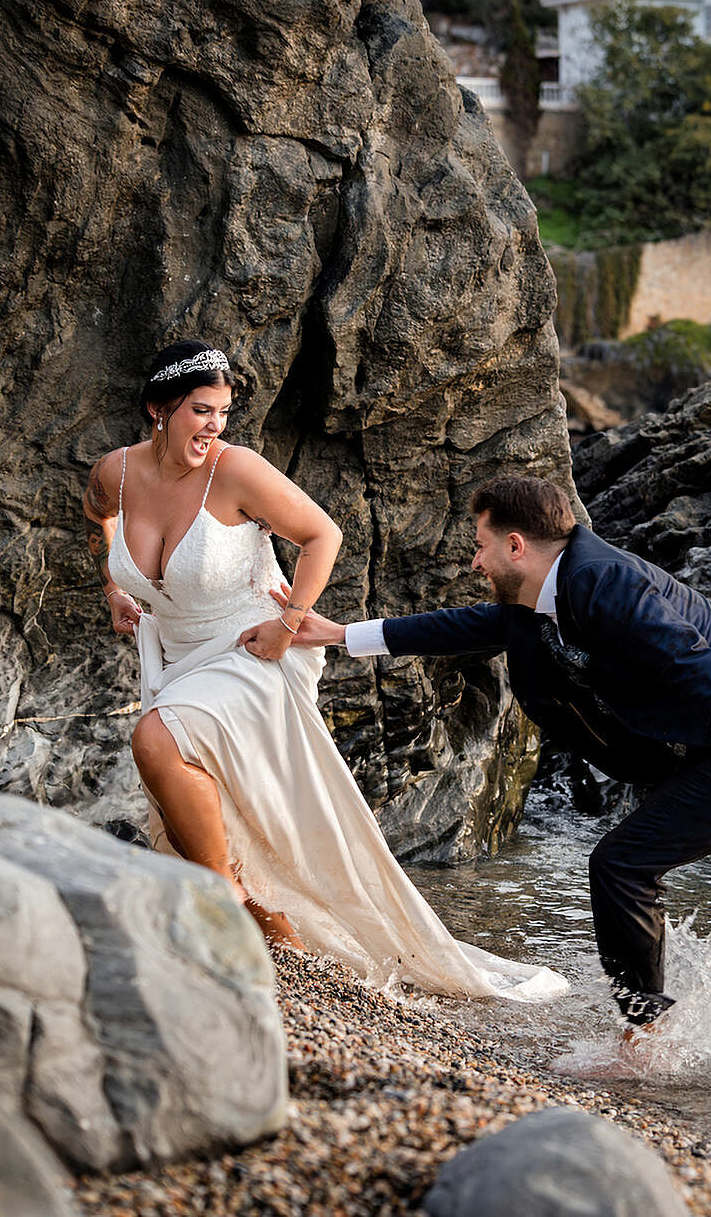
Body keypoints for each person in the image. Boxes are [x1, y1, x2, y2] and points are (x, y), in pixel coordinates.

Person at [85, 340, 564, 1003]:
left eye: (223, 412)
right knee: (198, 779)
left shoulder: (237, 470)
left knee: (156, 740)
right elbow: (98, 518)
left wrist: (288, 626)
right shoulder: (118, 472)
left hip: (251, 646)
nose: (214, 426)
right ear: (158, 410)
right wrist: (115, 587)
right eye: (200, 411)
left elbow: (323, 535)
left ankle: (224, 895)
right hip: (176, 655)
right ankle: (272, 924)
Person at [279, 475, 711, 1026]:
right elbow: (465, 626)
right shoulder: (548, 595)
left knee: (621, 865)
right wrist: (341, 636)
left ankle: (644, 1035)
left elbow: (694, 661)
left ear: (516, 545)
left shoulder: (603, 579)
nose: (476, 562)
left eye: (480, 546)